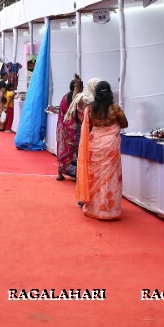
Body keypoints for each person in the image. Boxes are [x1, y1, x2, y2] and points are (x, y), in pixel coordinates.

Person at [76, 80, 128, 220]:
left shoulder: (90, 109)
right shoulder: (115, 108)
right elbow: (124, 124)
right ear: (110, 93)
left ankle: (94, 207)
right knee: (110, 177)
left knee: (95, 176)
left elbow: (88, 124)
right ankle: (109, 210)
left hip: (95, 144)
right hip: (111, 145)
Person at [56, 76, 83, 181]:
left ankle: (60, 173)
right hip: (72, 129)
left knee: (63, 150)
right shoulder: (75, 98)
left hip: (63, 128)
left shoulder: (65, 97)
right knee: (74, 151)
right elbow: (75, 111)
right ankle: (73, 173)